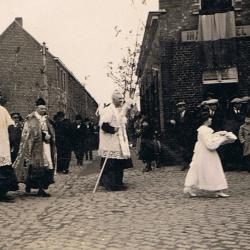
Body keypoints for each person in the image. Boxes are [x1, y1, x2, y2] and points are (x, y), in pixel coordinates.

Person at [184, 110, 236, 198]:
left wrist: (218, 134)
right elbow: (210, 145)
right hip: (207, 154)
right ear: (206, 120)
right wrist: (222, 138)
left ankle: (191, 188)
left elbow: (209, 139)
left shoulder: (202, 130)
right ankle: (218, 189)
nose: (211, 120)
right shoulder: (205, 130)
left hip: (201, 153)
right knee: (213, 170)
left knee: (198, 169)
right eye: (209, 118)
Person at [14, 97, 56, 197]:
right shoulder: (31, 118)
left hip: (46, 146)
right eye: (41, 109)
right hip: (33, 148)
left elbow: (51, 130)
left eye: (44, 109)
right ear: (36, 108)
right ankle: (30, 185)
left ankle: (41, 188)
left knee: (45, 166)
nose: (43, 110)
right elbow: (29, 133)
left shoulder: (47, 119)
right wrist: (42, 134)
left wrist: (49, 136)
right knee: (34, 167)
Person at [98, 89, 133, 191]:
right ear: (114, 99)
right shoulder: (108, 110)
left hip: (119, 141)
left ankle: (118, 182)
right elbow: (104, 125)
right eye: (119, 99)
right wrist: (113, 129)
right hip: (111, 142)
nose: (121, 101)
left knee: (119, 163)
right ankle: (111, 183)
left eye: (122, 99)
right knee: (111, 164)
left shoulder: (119, 110)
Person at [0, 93, 19, 202]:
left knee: (3, 172)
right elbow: (11, 127)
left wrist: (12, 142)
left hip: (2, 146)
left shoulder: (2, 110)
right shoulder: (3, 110)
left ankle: (1, 194)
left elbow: (11, 127)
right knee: (3, 172)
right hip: (3, 146)